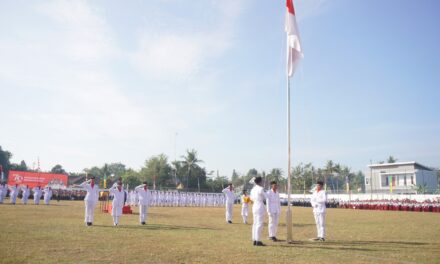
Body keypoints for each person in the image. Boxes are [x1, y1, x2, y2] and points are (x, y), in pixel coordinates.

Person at [250, 176, 267, 246]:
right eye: (262, 181)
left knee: (255, 223)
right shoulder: (261, 188)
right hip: (259, 205)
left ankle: (254, 239)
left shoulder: (253, 189)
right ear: (260, 182)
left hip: (254, 206)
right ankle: (258, 240)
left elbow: (251, 198)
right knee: (259, 223)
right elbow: (266, 197)